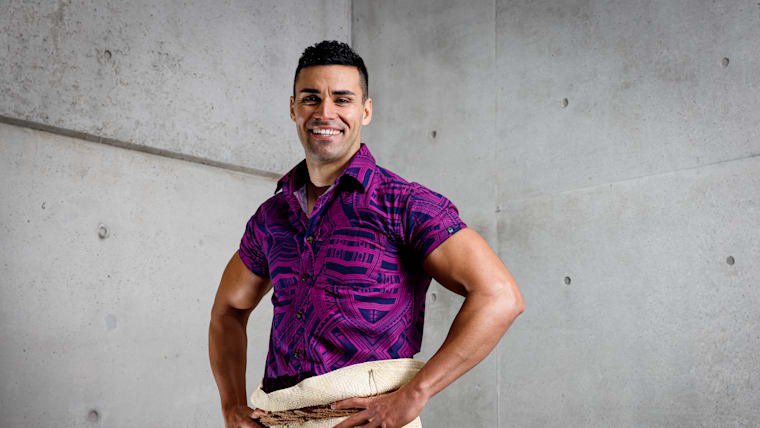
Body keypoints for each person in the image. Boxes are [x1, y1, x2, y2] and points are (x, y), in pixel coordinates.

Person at [209, 40, 525, 428]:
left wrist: (415, 394)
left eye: (342, 99)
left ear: (366, 110)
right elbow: (228, 310)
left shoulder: (403, 203)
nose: (325, 112)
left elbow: (500, 296)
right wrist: (231, 406)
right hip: (278, 418)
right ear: (293, 108)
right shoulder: (271, 216)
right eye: (311, 98)